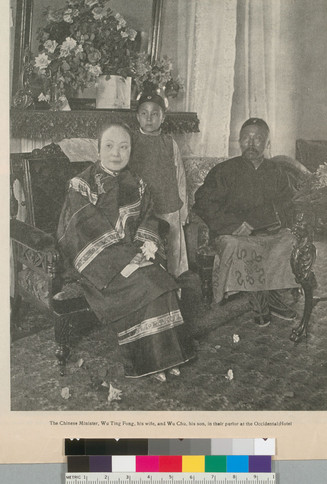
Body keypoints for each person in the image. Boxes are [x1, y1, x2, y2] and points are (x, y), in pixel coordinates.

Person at [57, 122, 194, 382]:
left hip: (135, 256)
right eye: (109, 146)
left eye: (123, 147)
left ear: (131, 150)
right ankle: (148, 361)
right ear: (98, 150)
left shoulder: (137, 183)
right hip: (98, 266)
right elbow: (80, 230)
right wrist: (125, 258)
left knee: (161, 280)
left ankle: (168, 357)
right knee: (146, 284)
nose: (116, 153)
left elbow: (148, 219)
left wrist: (146, 250)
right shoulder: (81, 185)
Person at [193, 117, 298, 327]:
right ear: (239, 141)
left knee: (290, 240)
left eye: (258, 138)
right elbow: (202, 201)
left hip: (268, 231)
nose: (251, 143)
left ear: (267, 143)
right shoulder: (224, 171)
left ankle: (269, 294)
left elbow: (289, 204)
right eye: (246, 138)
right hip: (234, 232)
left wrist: (260, 221)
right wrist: (233, 224)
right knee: (237, 244)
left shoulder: (277, 172)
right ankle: (261, 298)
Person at [129, 91, 188, 278]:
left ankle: (175, 290)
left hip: (168, 206)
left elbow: (180, 177)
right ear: (137, 117)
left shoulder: (169, 143)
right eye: (144, 113)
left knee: (172, 251)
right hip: (142, 210)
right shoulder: (131, 141)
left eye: (155, 114)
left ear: (162, 118)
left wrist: (184, 209)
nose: (149, 118)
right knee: (144, 253)